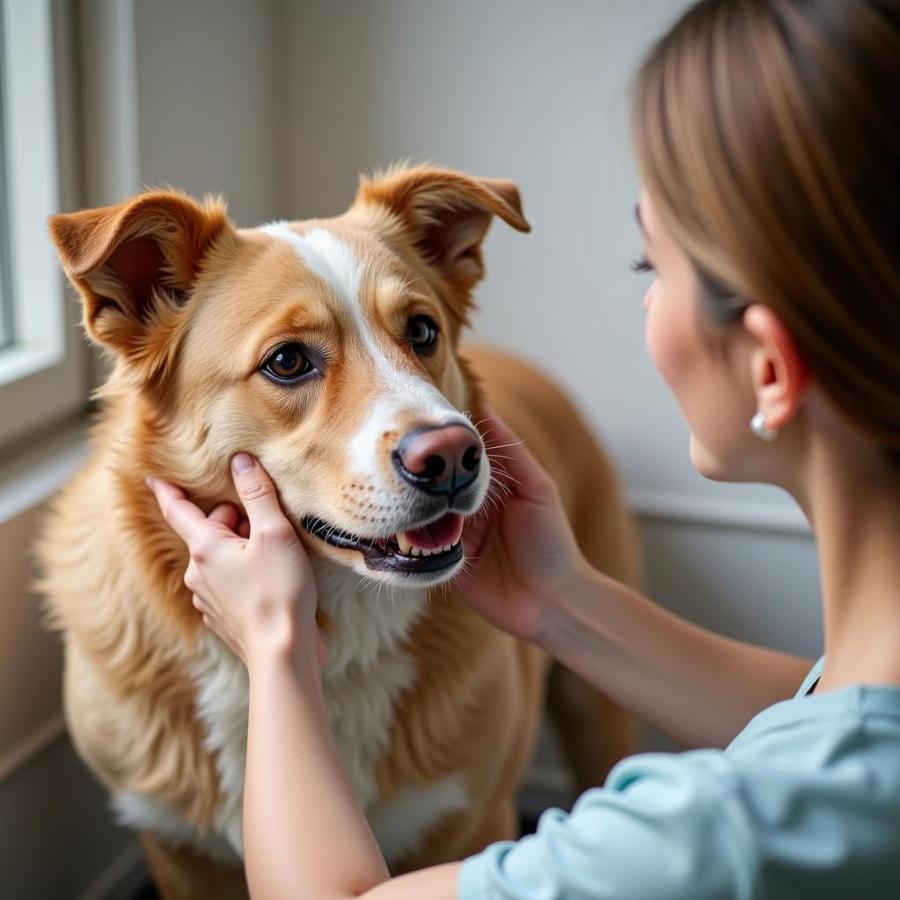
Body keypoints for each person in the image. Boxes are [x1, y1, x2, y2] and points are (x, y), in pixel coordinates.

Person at [148, 0, 900, 897]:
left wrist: (275, 646)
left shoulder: (717, 836)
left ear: (769, 368)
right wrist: (560, 603)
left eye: (651, 265)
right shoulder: (855, 742)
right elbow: (823, 720)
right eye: (290, 361)